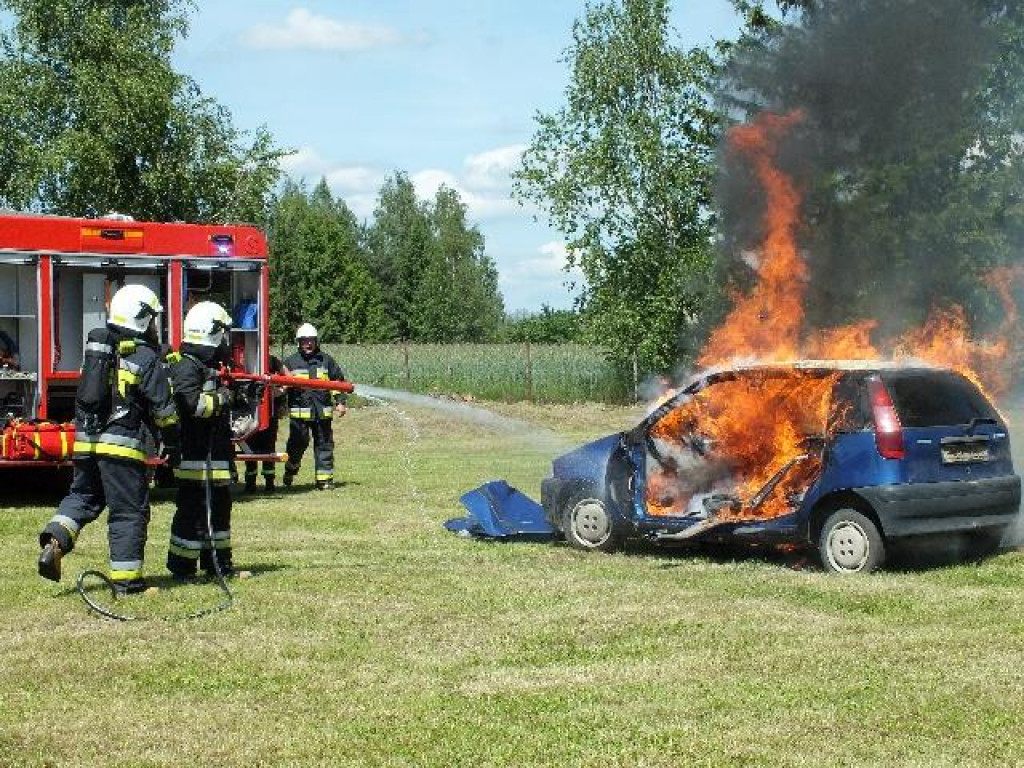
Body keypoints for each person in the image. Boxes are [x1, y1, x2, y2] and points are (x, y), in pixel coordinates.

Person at [37, 284, 180, 594]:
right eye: (152, 319)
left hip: (86, 442)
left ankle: (54, 541)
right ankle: (128, 583)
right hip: (122, 445)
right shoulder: (144, 356)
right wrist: (175, 442)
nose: (155, 325)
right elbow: (164, 411)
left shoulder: (97, 353)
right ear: (142, 319)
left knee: (83, 497)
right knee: (128, 511)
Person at [165, 301, 245, 581]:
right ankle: (182, 569)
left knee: (220, 511)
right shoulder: (186, 365)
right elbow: (192, 404)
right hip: (196, 454)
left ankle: (219, 566)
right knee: (192, 513)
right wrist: (223, 398)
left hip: (216, 453)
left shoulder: (208, 365)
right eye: (222, 333)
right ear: (211, 332)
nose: (226, 340)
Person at [283, 323, 347, 490]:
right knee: (297, 445)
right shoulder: (290, 363)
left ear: (317, 341)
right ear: (299, 342)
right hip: (299, 416)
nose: (308, 344)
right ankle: (291, 468)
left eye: (311, 340)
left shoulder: (326, 361)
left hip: (322, 413)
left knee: (324, 445)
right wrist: (280, 406)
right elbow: (281, 388)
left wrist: (340, 402)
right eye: (304, 341)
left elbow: (338, 382)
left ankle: (324, 480)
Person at [243, 354, 287, 493]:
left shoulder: (273, 361)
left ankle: (269, 483)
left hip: (269, 413)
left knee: (268, 449)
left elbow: (287, 377)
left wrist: (279, 391)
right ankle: (250, 483)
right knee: (249, 449)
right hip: (248, 412)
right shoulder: (243, 359)